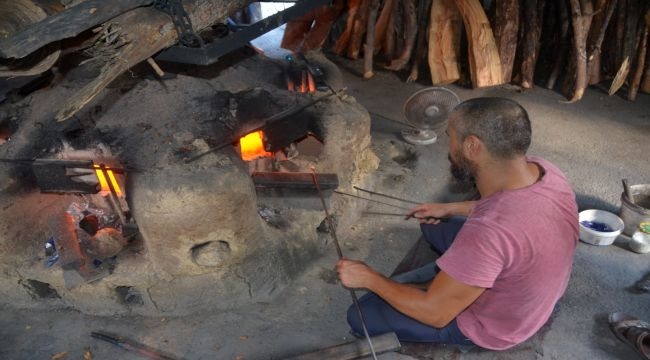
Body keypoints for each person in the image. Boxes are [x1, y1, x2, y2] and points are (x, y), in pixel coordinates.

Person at [336, 97, 579, 351]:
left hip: (497, 326)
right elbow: (512, 209)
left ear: (472, 146)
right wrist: (450, 208)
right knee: (433, 224)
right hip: (527, 286)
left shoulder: (488, 232)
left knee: (361, 314)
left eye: (450, 137)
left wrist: (370, 278)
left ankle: (444, 289)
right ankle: (450, 280)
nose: (448, 147)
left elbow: (435, 314)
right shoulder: (545, 170)